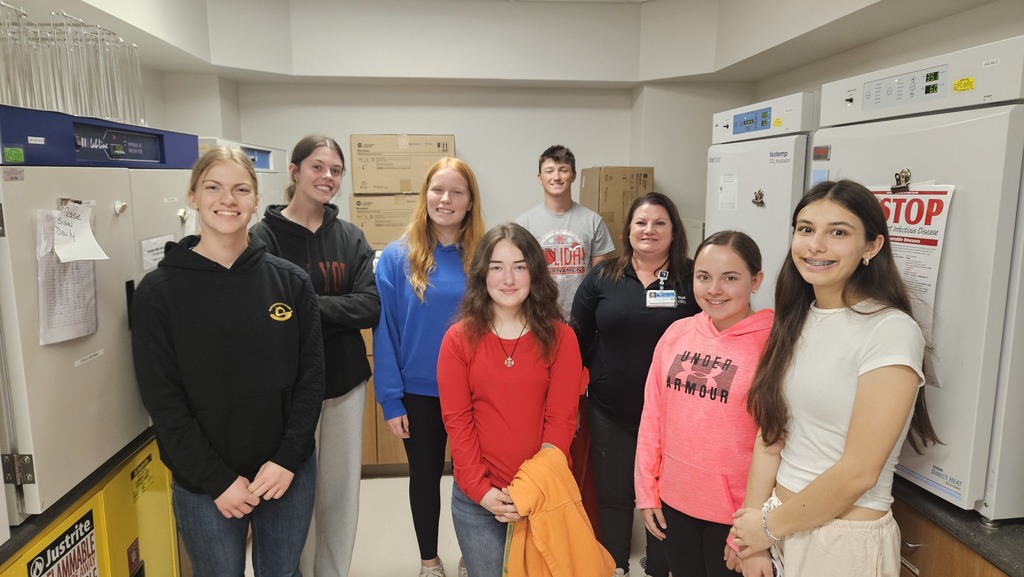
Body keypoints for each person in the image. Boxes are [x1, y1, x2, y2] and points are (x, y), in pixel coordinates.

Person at [730, 180, 940, 577]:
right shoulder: (798, 318)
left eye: (838, 233)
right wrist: (752, 535)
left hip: (841, 543)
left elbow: (859, 471)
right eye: (806, 229)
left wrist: (765, 529)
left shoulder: (890, 330)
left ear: (872, 247)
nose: (815, 245)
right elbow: (771, 433)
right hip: (779, 525)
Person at [131, 146, 325, 576]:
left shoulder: (290, 282)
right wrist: (216, 480)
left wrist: (287, 459)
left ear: (256, 200)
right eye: (213, 188)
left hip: (284, 473)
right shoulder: (159, 293)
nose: (227, 200)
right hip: (204, 482)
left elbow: (311, 380)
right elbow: (163, 401)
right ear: (192, 197)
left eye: (240, 189)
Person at [250, 134, 379, 577]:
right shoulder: (263, 237)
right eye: (318, 167)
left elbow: (370, 306)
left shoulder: (350, 237)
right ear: (295, 171)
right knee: (293, 491)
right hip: (286, 389)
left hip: (344, 382)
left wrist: (302, 306)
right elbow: (266, 312)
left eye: (336, 170)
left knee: (339, 493)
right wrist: (334, 308)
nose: (327, 177)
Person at [437, 223, 582, 577]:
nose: (508, 279)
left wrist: (530, 490)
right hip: (479, 498)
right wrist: (481, 490)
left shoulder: (562, 338)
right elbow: (458, 422)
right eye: (497, 267)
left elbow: (561, 420)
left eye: (519, 267)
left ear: (535, 273)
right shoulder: (457, 340)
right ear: (482, 275)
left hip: (543, 492)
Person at [570, 192, 701, 577]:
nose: (649, 230)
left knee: (665, 493)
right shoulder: (603, 277)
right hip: (611, 409)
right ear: (627, 230)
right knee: (614, 494)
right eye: (641, 222)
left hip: (674, 415)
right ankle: (615, 565)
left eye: (660, 223)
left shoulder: (692, 278)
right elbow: (576, 342)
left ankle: (659, 566)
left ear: (674, 231)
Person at [634, 230, 773, 577]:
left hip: (736, 515)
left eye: (730, 278)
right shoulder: (676, 333)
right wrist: (646, 491)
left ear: (756, 281)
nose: (714, 289)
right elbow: (653, 416)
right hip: (675, 501)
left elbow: (777, 440)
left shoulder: (774, 343)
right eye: (704, 277)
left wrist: (754, 523)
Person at [373, 157, 486, 577]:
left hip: (477, 390)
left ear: (470, 201)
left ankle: (474, 555)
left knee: (476, 476)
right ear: (425, 195)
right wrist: (390, 399)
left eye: (457, 192)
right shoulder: (397, 257)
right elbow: (386, 330)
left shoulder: (485, 255)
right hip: (419, 393)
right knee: (424, 478)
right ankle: (429, 562)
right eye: (438, 189)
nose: (445, 199)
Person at [515, 144, 615, 317]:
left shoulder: (593, 221)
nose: (556, 177)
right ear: (540, 178)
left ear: (573, 175)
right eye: (549, 171)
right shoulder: (523, 224)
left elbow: (599, 280)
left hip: (582, 315)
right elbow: (518, 275)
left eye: (563, 170)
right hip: (538, 316)